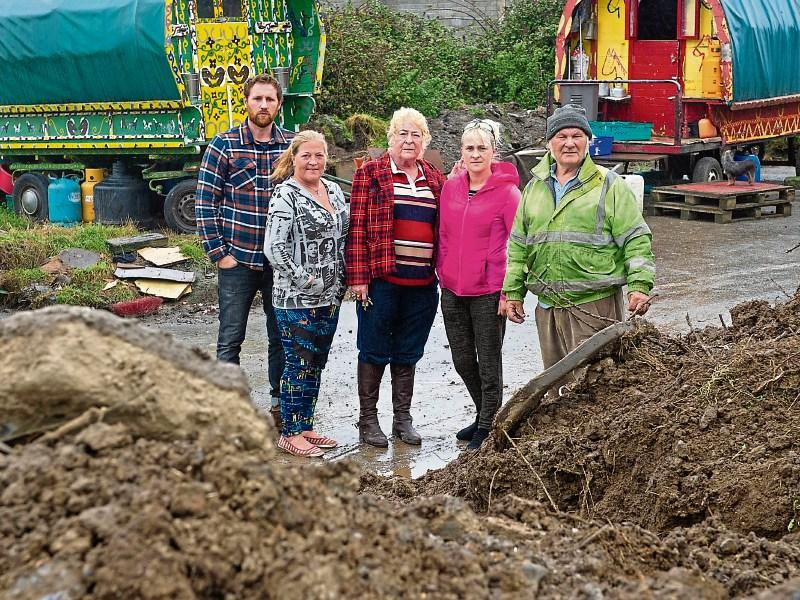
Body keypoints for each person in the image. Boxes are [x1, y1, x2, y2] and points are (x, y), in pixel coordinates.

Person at [503, 104, 655, 388]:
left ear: (588, 140)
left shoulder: (608, 185)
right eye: (562, 136)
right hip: (548, 308)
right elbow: (519, 245)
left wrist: (639, 286)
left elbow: (636, 238)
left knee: (596, 389)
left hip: (593, 308)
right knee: (556, 390)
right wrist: (513, 292)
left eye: (577, 135)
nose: (569, 143)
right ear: (549, 142)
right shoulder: (534, 188)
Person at [196, 73, 292, 431]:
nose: (263, 105)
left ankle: (279, 407)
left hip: (279, 264)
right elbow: (205, 203)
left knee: (280, 334)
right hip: (237, 259)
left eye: (270, 99)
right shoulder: (224, 145)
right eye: (257, 99)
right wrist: (219, 253)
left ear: (279, 105)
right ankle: (229, 407)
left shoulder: (291, 146)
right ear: (246, 102)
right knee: (230, 336)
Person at [346, 107, 445, 448]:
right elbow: (356, 226)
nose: (409, 140)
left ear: (424, 141)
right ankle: (368, 421)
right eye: (402, 133)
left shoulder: (433, 176)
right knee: (373, 349)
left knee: (408, 351)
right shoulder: (371, 173)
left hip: (421, 285)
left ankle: (402, 419)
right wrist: (358, 278)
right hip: (381, 281)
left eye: (416, 134)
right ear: (390, 138)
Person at [437, 119, 521, 450]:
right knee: (462, 360)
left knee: (488, 362)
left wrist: (508, 293)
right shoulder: (451, 188)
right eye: (469, 148)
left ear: (493, 152)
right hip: (453, 289)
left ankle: (488, 426)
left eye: (481, 148)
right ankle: (485, 413)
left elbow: (518, 244)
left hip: (489, 291)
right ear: (461, 152)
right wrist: (443, 272)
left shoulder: (508, 194)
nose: (475, 154)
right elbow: (443, 234)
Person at [264, 130, 349, 457]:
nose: (313, 161)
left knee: (316, 363)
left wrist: (339, 281)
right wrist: (305, 279)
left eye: (319, 155)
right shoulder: (286, 196)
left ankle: (306, 425)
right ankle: (289, 431)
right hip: (296, 299)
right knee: (297, 364)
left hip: (331, 296)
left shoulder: (334, 191)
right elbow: (274, 248)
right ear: (294, 158)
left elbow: (342, 239)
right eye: (306, 156)